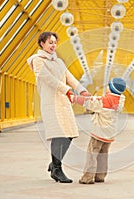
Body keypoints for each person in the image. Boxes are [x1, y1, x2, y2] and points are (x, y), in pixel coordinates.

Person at [27, 31, 91, 183]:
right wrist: (67, 90)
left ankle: (54, 162)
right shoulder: (37, 60)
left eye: (55, 42)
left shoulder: (58, 61)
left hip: (63, 102)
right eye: (50, 42)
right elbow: (47, 78)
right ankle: (57, 169)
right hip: (51, 102)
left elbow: (69, 77)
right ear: (42, 44)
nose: (53, 45)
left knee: (70, 134)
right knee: (59, 134)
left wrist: (81, 89)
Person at [71, 77, 126, 184]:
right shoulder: (119, 100)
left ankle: (87, 177)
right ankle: (100, 176)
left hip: (99, 133)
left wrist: (73, 98)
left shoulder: (105, 101)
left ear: (111, 88)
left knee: (92, 154)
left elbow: (90, 102)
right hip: (110, 134)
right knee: (103, 155)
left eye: (109, 86)